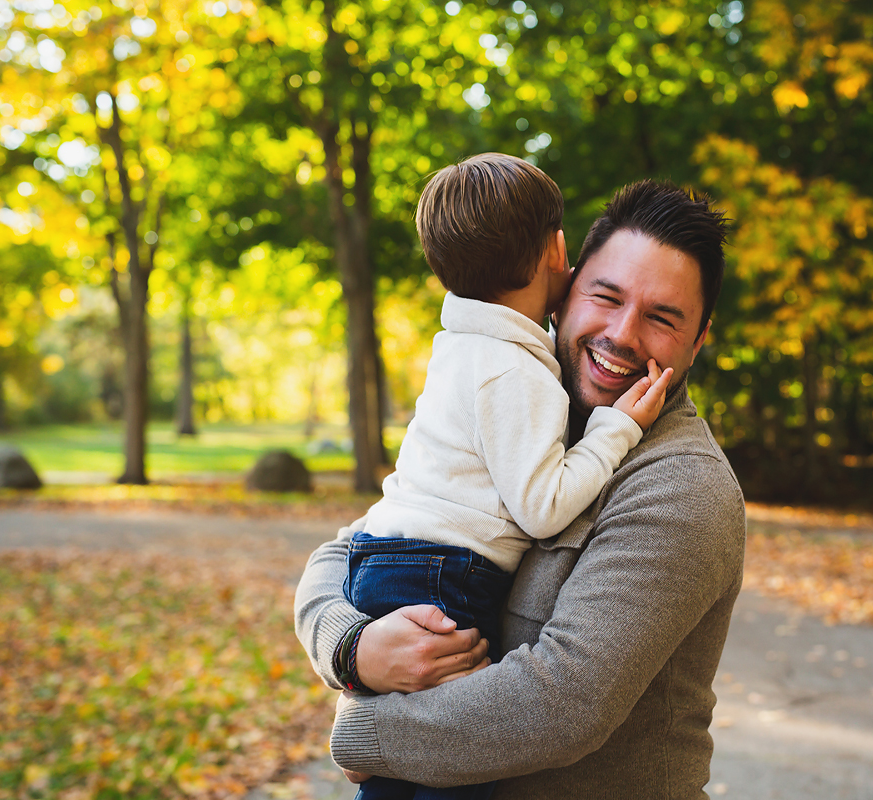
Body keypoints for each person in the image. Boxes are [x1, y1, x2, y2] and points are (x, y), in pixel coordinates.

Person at [295, 179, 745, 799]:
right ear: (564, 284)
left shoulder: (682, 486)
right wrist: (352, 648)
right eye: (605, 296)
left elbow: (565, 700)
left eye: (662, 318)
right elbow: (348, 549)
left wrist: (367, 730)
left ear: (698, 339)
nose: (622, 333)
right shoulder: (513, 396)